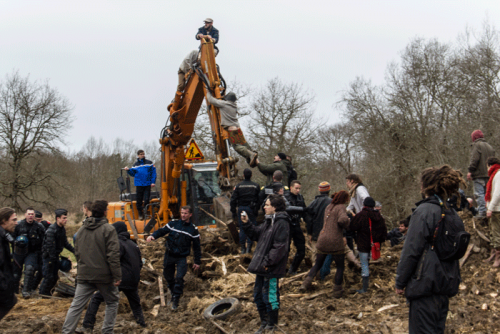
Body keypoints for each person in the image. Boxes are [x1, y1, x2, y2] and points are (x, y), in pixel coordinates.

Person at [396, 165, 465, 333]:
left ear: (425, 186)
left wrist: (400, 281)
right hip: (444, 286)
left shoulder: (424, 211)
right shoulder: (452, 213)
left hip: (425, 287)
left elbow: (412, 250)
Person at [62, 200, 121, 334]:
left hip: (85, 274)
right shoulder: (109, 229)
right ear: (105, 212)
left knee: (76, 306)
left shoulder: (81, 230)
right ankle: (107, 331)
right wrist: (117, 275)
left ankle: (66, 332)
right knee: (112, 301)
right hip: (104, 276)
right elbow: (113, 255)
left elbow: (77, 252)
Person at [80, 222, 146, 331]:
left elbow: (113, 261)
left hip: (120, 279)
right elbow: (140, 264)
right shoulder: (133, 245)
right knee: (135, 304)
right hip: (134, 279)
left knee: (96, 298)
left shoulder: (118, 244)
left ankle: (87, 325)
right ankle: (142, 324)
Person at [241, 194, 290, 334]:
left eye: (267, 205)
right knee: (258, 295)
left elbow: (280, 247)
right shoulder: (269, 221)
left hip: (271, 267)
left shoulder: (281, 223)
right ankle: (264, 321)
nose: (264, 207)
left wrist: (268, 263)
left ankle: (272, 324)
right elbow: (256, 234)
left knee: (270, 296)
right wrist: (246, 223)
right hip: (262, 266)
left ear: (275, 207)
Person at [146, 206, 201, 310]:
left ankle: (176, 299)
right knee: (168, 276)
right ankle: (172, 290)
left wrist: (197, 261)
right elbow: (162, 231)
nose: (183, 215)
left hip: (181, 257)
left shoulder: (193, 230)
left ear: (190, 215)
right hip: (169, 254)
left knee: (179, 277)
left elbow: (197, 247)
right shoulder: (173, 224)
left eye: (185, 213)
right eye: (182, 213)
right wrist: (153, 236)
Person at [301, 191, 350, 298]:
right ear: (344, 199)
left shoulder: (329, 206)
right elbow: (342, 220)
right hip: (335, 240)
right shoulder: (341, 207)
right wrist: (348, 221)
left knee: (318, 263)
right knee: (340, 267)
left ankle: (306, 283)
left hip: (322, 238)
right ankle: (337, 291)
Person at [205, 91, 258, 167]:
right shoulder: (234, 106)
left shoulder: (224, 104)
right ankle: (251, 157)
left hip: (231, 130)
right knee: (243, 143)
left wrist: (208, 92)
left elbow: (211, 100)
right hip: (238, 129)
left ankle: (251, 154)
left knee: (237, 146)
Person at [349, 197, 387, 293]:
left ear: (364, 205)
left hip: (363, 245)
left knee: (364, 265)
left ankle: (365, 288)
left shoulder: (361, 215)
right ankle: (367, 284)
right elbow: (384, 231)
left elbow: (352, 227)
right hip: (375, 245)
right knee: (368, 262)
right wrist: (379, 242)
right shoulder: (379, 217)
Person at [39, 209, 75, 296]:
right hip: (49, 257)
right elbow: (50, 248)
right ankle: (42, 294)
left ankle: (48, 294)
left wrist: (75, 251)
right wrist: (53, 260)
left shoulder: (62, 229)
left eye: (66, 218)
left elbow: (65, 243)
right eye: (64, 218)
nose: (65, 220)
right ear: (58, 218)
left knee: (54, 278)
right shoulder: (51, 230)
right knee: (48, 277)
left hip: (55, 256)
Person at [12, 207, 46, 297]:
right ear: (25, 215)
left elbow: (44, 240)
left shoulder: (39, 227)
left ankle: (26, 291)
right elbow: (11, 238)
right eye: (29, 214)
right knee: (16, 273)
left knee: (30, 269)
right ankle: (14, 292)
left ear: (34, 216)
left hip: (32, 252)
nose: (30, 216)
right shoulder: (18, 225)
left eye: (32, 214)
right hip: (18, 252)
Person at [230, 168, 260, 254]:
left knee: (242, 228)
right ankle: (249, 249)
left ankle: (243, 248)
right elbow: (259, 199)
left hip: (242, 208)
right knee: (251, 228)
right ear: (251, 176)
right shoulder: (256, 186)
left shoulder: (238, 186)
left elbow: (233, 199)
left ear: (243, 176)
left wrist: (233, 211)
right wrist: (256, 209)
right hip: (251, 209)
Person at [467, 129, 495, 218]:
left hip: (479, 175)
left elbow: (474, 159)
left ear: (474, 138)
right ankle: (489, 210)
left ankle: (482, 212)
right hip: (489, 175)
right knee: (488, 194)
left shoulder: (477, 145)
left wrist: (470, 171)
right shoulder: (490, 146)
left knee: (479, 194)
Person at [124, 150, 157, 220]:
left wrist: (153, 182)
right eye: (141, 154)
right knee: (139, 199)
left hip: (147, 184)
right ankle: (140, 212)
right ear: (138, 155)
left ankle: (145, 211)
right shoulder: (135, 164)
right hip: (139, 184)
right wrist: (128, 170)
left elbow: (153, 173)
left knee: (146, 199)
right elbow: (133, 173)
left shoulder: (149, 163)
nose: (143, 155)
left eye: (143, 154)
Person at [284, 180, 307, 275]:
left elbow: (304, 211)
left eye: (299, 188)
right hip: (286, 225)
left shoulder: (300, 197)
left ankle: (293, 269)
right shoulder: (285, 197)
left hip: (296, 224)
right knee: (285, 249)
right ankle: (281, 269)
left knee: (301, 249)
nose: (298, 190)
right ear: (291, 187)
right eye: (296, 188)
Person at [0, 207, 18, 321]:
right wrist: (4, 286)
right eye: (14, 220)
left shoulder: (4, 236)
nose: (16, 223)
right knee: (10, 301)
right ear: (4, 221)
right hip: (2, 285)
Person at [484, 157, 500, 267]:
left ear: (490, 165)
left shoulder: (498, 174)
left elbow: (497, 193)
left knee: (496, 233)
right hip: (494, 208)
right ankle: (494, 254)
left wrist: (491, 208)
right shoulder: (494, 174)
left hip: (497, 209)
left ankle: (498, 257)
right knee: (493, 233)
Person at [31, 210, 50, 292]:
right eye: (37, 220)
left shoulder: (45, 224)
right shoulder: (30, 226)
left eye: (40, 220)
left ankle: (33, 287)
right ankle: (28, 286)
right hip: (32, 251)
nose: (39, 222)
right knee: (31, 269)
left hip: (42, 251)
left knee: (41, 270)